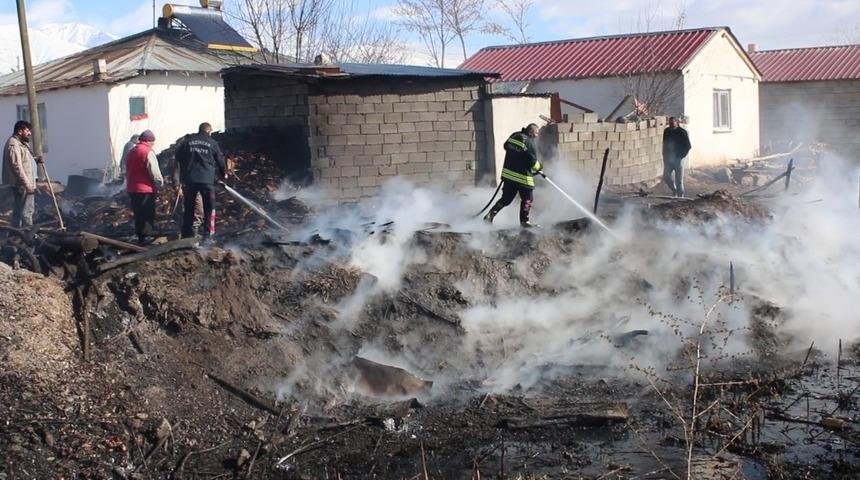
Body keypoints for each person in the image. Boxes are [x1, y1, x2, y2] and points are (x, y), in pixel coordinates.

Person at [483, 123, 542, 228]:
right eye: (536, 133)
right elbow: (533, 162)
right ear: (531, 132)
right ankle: (524, 221)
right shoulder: (529, 142)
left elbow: (506, 146)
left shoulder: (514, 135)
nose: (537, 135)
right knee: (528, 198)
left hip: (508, 175)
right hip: (523, 178)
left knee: (506, 199)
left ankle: (490, 216)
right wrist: (540, 168)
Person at [176, 122, 225, 241]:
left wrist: (182, 175)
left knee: (189, 208)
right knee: (209, 208)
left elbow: (178, 157)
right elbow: (220, 160)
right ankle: (208, 236)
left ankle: (186, 235)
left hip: (190, 180)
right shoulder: (212, 143)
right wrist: (223, 175)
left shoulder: (187, 141)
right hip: (207, 181)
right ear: (209, 131)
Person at [2, 121, 43, 228]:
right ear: (20, 131)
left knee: (21, 211)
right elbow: (17, 167)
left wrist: (36, 160)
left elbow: (25, 161)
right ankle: (28, 236)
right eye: (27, 131)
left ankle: (16, 235)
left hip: (25, 184)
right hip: (22, 185)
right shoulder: (14, 145)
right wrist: (28, 185)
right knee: (26, 212)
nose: (30, 133)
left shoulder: (21, 143)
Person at [125, 130, 164, 244]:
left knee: (138, 214)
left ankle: (140, 237)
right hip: (145, 189)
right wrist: (159, 184)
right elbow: (154, 172)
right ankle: (147, 238)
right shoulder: (148, 152)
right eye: (153, 142)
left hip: (132, 188)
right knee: (147, 213)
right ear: (149, 141)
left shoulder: (131, 152)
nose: (153, 144)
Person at [662, 116, 691, 197]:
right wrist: (664, 155)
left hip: (679, 158)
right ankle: (674, 190)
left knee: (679, 180)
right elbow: (664, 144)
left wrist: (681, 156)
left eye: (672, 122)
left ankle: (680, 197)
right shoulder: (667, 131)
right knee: (666, 177)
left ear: (677, 122)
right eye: (670, 122)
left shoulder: (682, 132)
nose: (671, 124)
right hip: (669, 158)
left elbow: (688, 146)